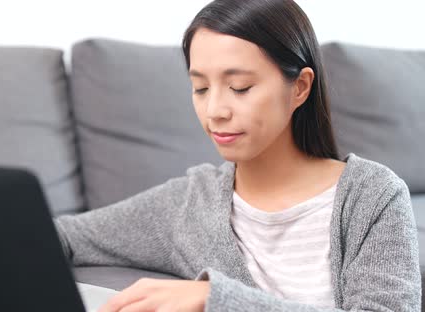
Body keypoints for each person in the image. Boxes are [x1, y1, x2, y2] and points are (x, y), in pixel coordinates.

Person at [54, 0, 421, 311]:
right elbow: (62, 235)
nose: (215, 110)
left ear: (300, 88)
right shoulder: (189, 204)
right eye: (200, 88)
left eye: (240, 87)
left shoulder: (373, 196)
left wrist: (217, 299)